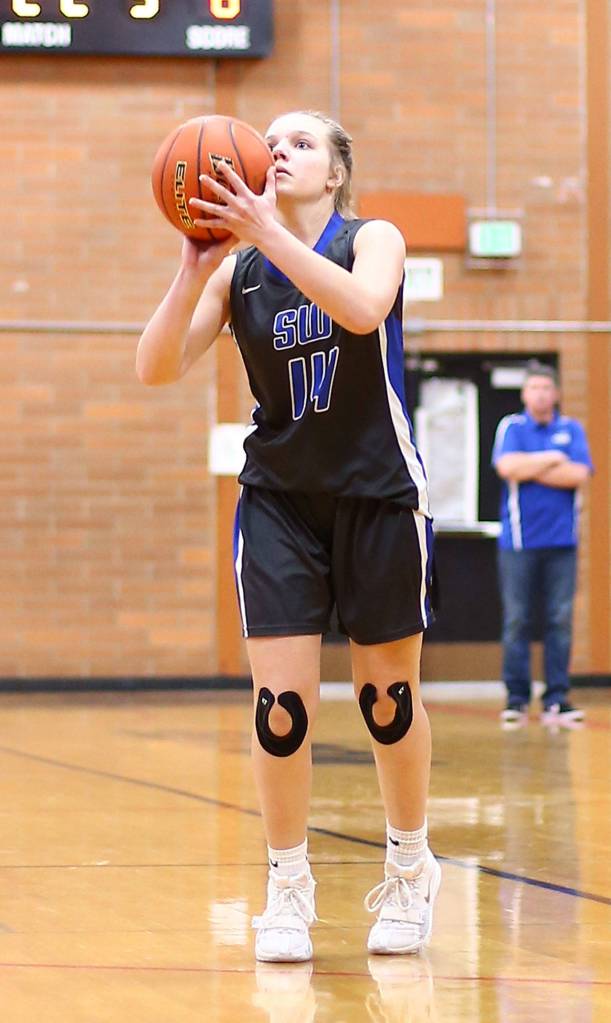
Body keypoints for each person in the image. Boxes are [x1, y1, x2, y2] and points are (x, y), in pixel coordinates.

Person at [136, 110, 441, 962]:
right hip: (277, 499)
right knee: (281, 709)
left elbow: (360, 311)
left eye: (302, 143)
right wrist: (193, 264)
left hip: (379, 492)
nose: (279, 151)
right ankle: (287, 885)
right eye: (270, 142)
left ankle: (411, 867)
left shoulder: (370, 237)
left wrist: (267, 232)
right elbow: (154, 368)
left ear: (336, 172)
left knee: (388, 703)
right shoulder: (238, 274)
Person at [492, 362, 593, 728]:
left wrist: (531, 467)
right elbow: (508, 468)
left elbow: (578, 474)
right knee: (517, 620)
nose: (540, 394)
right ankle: (517, 699)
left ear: (557, 393)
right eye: (533, 388)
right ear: (524, 394)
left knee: (559, 620)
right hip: (519, 542)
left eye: (546, 388)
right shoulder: (512, 427)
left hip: (562, 543)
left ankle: (557, 699)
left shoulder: (572, 429)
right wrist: (551, 459)